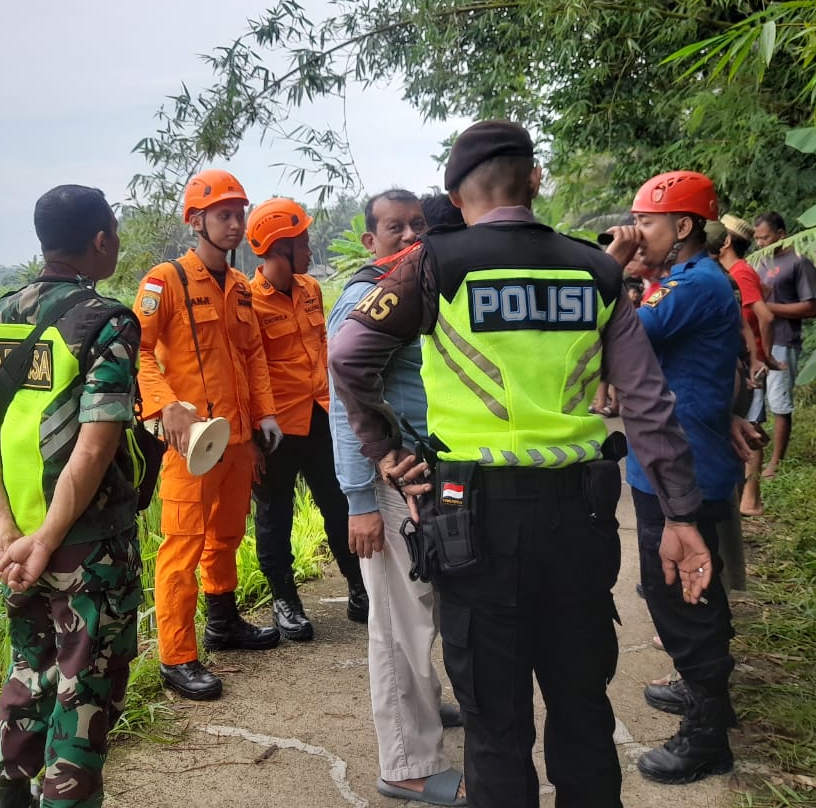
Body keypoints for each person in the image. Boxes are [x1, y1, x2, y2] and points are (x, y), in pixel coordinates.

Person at [331, 121, 714, 808]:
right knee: (581, 706)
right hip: (580, 519)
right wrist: (681, 513)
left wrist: (385, 451)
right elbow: (650, 404)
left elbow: (347, 356)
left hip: (470, 520)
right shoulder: (595, 269)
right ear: (535, 180)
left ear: (453, 192)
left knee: (496, 723)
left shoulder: (433, 264)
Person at [0, 185, 141, 808]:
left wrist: (6, 528)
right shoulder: (107, 321)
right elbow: (94, 446)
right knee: (83, 693)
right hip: (84, 547)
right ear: (100, 240)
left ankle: (8, 796)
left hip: (19, 546)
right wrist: (50, 538)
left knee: (28, 676)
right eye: (114, 231)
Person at [327, 188, 467, 807]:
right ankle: (407, 764)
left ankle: (424, 715)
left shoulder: (418, 290)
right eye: (393, 228)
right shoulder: (365, 298)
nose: (409, 236)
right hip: (388, 485)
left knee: (424, 610)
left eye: (417, 225)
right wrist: (358, 499)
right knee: (399, 624)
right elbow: (343, 404)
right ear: (369, 239)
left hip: (425, 476)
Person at [605, 170, 744, 784]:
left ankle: (708, 735)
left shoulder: (693, 285)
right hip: (674, 458)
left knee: (681, 593)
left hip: (681, 465)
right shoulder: (687, 281)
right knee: (691, 590)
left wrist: (614, 268)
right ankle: (704, 691)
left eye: (651, 225)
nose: (640, 235)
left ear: (683, 227)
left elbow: (620, 335)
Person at [133, 168, 282, 702]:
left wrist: (265, 415)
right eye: (223, 214)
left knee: (226, 535)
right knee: (182, 545)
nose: (235, 223)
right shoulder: (165, 281)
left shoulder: (241, 287)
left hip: (237, 439)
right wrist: (165, 405)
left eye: (239, 213)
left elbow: (253, 355)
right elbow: (140, 350)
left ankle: (223, 622)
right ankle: (177, 656)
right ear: (196, 220)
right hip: (190, 443)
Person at [246, 196, 366, 640]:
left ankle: (358, 588)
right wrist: (252, 435)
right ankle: (285, 600)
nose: (311, 251)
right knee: (276, 513)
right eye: (304, 243)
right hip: (274, 428)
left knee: (339, 503)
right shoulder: (248, 302)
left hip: (321, 415)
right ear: (280, 247)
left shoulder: (310, 290)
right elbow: (247, 369)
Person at [713, 214, 779, 516]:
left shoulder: (739, 272)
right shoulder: (733, 272)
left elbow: (764, 315)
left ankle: (751, 497)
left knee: (750, 427)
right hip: (742, 361)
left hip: (748, 364)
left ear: (725, 241)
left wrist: (761, 356)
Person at [753, 211, 816, 480]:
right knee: (755, 402)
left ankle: (776, 462)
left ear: (782, 233)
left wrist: (769, 308)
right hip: (758, 342)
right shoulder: (760, 261)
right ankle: (754, 459)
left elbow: (812, 307)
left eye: (765, 237)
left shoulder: (799, 262)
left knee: (779, 403)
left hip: (783, 340)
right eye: (757, 238)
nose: (760, 243)